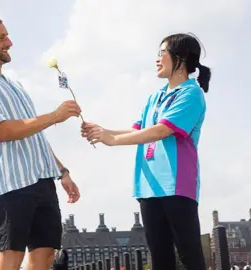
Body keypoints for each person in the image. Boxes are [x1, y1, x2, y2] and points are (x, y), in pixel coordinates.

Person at [81, 33, 211, 270]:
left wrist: (111, 140)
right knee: (160, 258)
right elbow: (136, 130)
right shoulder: (155, 97)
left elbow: (161, 131)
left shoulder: (191, 94)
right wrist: (102, 131)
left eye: (162, 53)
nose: (157, 59)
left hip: (176, 186)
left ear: (179, 58)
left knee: (190, 256)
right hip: (147, 187)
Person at [0, 16, 81, 270]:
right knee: (11, 256)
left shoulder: (14, 85)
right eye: (1, 37)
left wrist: (62, 172)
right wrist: (54, 116)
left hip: (42, 179)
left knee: (46, 253)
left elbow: (34, 133)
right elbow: (2, 131)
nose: (10, 42)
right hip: (12, 182)